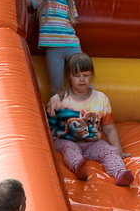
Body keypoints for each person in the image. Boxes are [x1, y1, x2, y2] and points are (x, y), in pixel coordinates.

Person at [49, 52, 134, 186]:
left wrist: (119, 150)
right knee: (70, 148)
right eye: (77, 76)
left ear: (92, 75)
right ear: (69, 76)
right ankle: (78, 167)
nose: (82, 79)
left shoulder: (101, 99)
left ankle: (120, 173)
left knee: (110, 151)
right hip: (66, 140)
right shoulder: (58, 100)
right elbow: (48, 128)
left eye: (86, 75)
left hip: (92, 143)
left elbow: (109, 129)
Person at [28, 0, 84, 93]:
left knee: (82, 77)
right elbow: (19, 3)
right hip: (53, 48)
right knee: (56, 86)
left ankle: (91, 104)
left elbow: (70, 24)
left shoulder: (69, 3)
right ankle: (56, 106)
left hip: (72, 46)